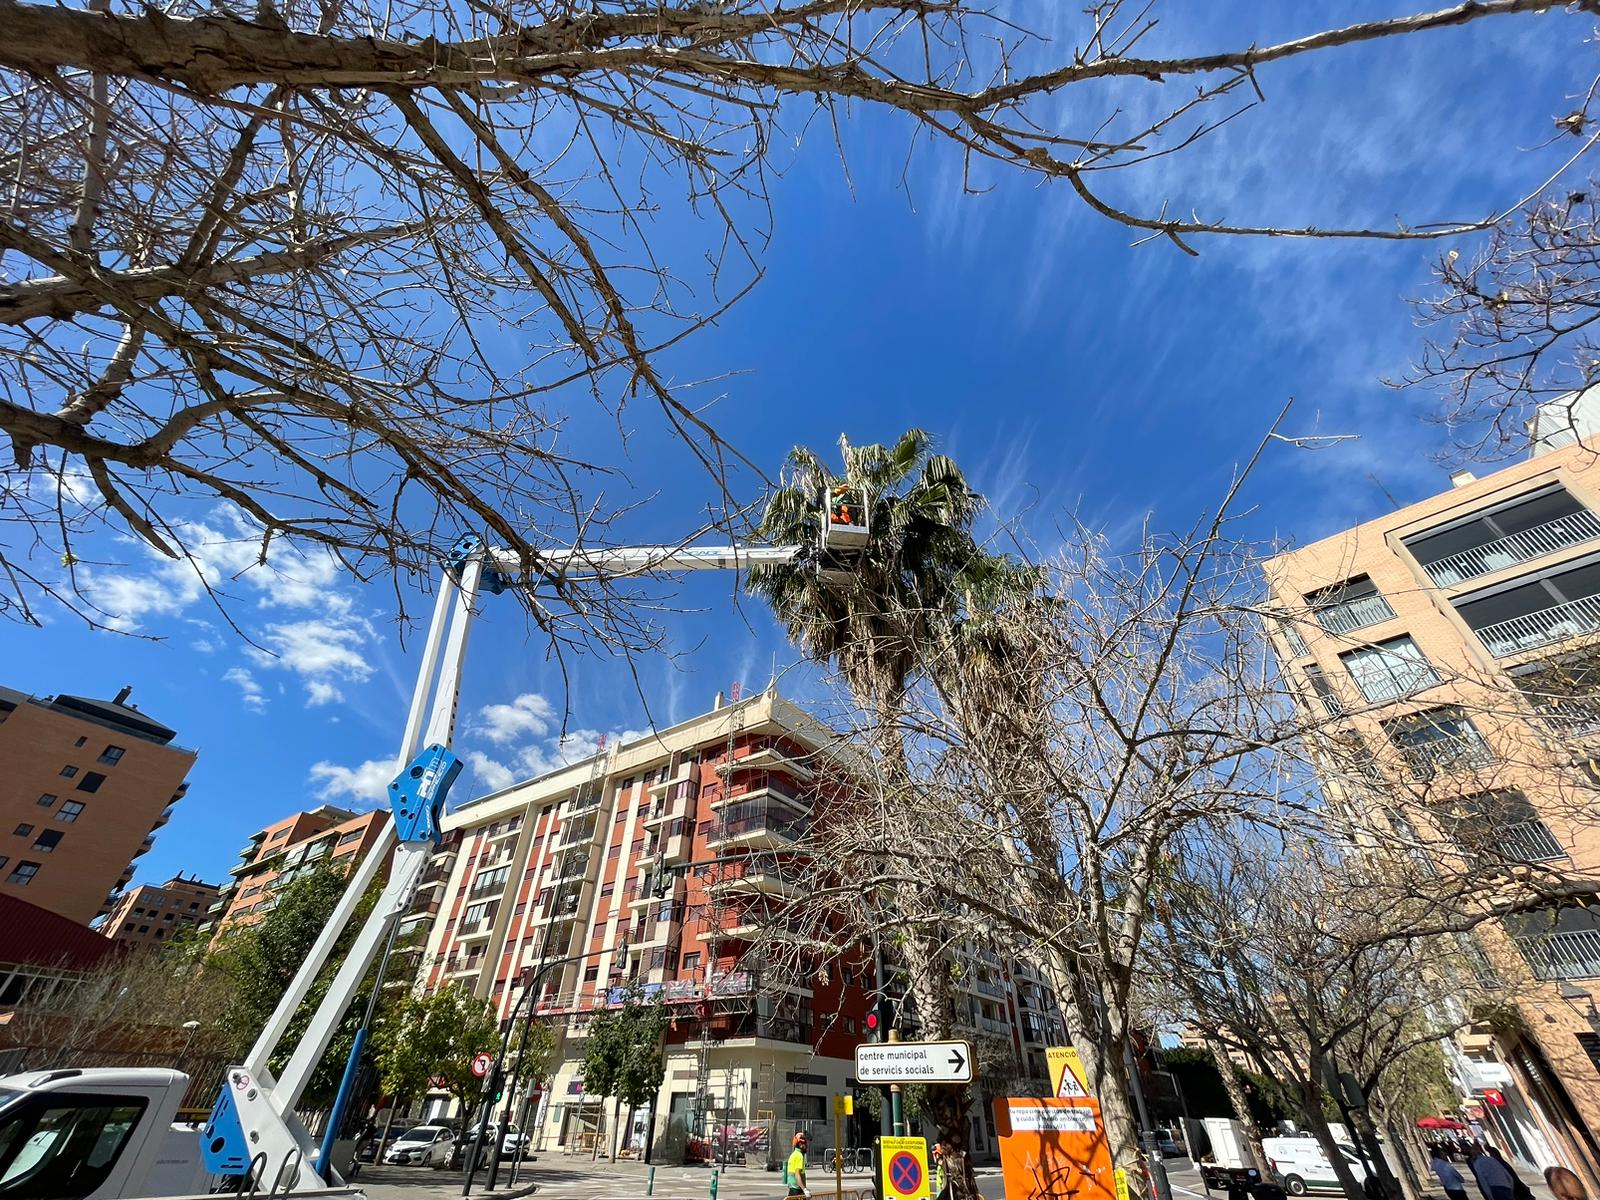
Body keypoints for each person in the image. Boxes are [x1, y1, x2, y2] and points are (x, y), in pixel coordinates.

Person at [785, 1131, 810, 1198]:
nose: (806, 1145)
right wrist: (804, 1189)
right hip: (796, 1189)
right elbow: (797, 1174)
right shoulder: (799, 1156)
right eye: (804, 1144)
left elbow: (802, 1174)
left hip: (793, 1188)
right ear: (799, 1144)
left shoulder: (794, 1154)